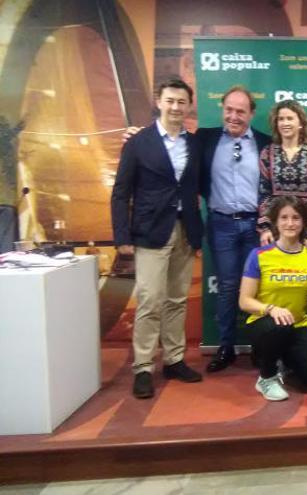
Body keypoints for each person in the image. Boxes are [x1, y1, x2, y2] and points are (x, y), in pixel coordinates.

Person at [110, 78, 203, 398]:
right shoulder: (139, 142)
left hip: (185, 229)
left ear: (189, 106)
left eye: (182, 102)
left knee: (177, 299)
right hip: (150, 231)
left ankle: (174, 359)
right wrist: (121, 235)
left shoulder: (193, 143)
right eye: (170, 101)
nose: (176, 107)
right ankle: (143, 367)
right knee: (150, 300)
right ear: (159, 102)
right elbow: (121, 192)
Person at [199, 86, 272, 373]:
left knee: (263, 287)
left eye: (241, 111)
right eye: (229, 109)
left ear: (252, 113)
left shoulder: (266, 143)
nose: (234, 116)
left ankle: (264, 348)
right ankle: (226, 346)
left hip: (258, 226)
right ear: (222, 110)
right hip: (222, 225)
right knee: (229, 287)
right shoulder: (205, 139)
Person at [238, 196, 307, 401]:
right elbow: (245, 301)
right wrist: (271, 309)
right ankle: (267, 376)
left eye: (296, 218)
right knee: (278, 326)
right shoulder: (259, 255)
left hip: (298, 323)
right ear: (275, 222)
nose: (290, 223)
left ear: (304, 223)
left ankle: (287, 359)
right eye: (284, 218)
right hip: (263, 323)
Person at [257, 99, 307, 245]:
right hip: (276, 224)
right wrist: (265, 228)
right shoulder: (267, 153)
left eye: (290, 118)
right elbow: (264, 193)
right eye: (281, 119)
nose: (285, 123)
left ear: (300, 123)